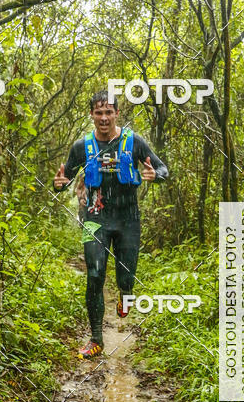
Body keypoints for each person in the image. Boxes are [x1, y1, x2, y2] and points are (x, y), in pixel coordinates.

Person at [53, 90, 169, 358]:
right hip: (95, 218)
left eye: (109, 112)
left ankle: (125, 292)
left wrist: (156, 175)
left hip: (129, 219)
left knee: (126, 276)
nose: (104, 118)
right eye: (98, 112)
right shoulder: (81, 147)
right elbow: (64, 179)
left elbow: (163, 169)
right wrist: (59, 185)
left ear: (117, 113)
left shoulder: (134, 141)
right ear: (92, 115)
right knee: (94, 275)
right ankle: (95, 338)